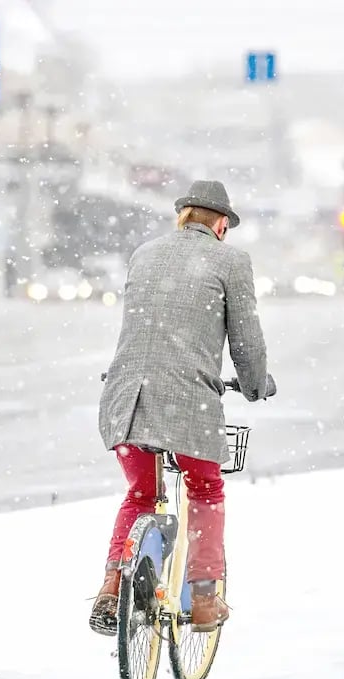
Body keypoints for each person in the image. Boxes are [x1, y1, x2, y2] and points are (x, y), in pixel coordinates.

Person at [91, 180, 275, 635]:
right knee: (205, 488)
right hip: (188, 401)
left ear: (182, 216)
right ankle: (206, 598)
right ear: (220, 224)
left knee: (139, 494)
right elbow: (246, 340)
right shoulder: (231, 261)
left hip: (125, 398)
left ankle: (113, 585)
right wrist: (254, 385)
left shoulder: (144, 254)